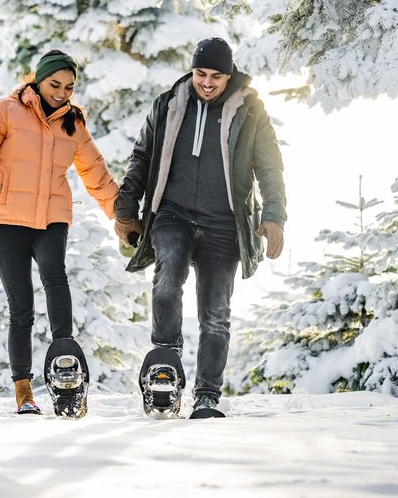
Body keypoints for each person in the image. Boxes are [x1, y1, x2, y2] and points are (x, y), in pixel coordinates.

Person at [113, 37, 287, 417]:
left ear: (229, 76)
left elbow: (269, 166)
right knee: (168, 275)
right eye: (200, 74)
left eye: (216, 77)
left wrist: (273, 215)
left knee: (215, 313)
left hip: (224, 222)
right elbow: (142, 156)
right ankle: (166, 362)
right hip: (173, 213)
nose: (206, 83)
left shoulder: (250, 111)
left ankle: (207, 394)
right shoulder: (170, 104)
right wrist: (126, 209)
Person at [0, 49, 119, 415]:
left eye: (69, 86)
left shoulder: (73, 123)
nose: (61, 92)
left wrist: (121, 215)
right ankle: (23, 390)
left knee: (55, 276)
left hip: (50, 217)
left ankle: (64, 363)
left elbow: (96, 173)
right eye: (54, 84)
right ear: (38, 80)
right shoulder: (7, 110)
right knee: (22, 307)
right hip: (8, 220)